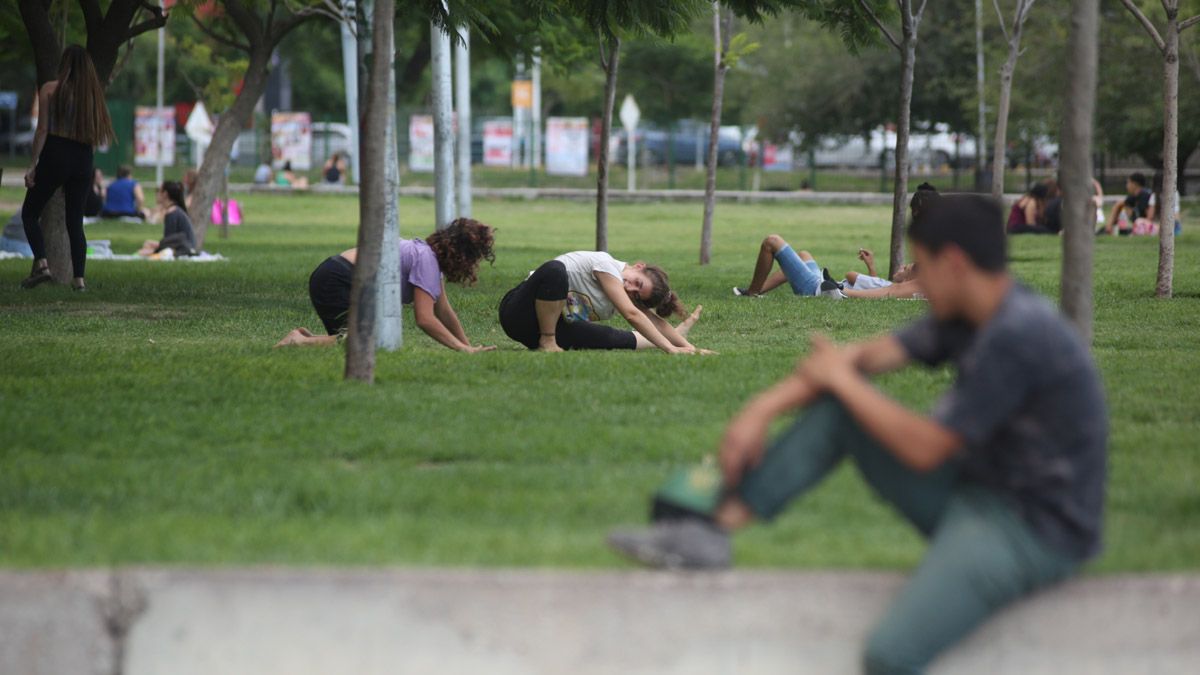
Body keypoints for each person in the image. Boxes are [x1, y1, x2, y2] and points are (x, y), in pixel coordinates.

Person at [608, 194, 1108, 673]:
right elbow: (863, 358)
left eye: (921, 267)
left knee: (891, 657)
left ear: (953, 263)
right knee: (839, 413)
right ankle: (710, 531)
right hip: (977, 492)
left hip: (1032, 530)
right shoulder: (968, 313)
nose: (913, 279)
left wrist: (844, 383)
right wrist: (761, 409)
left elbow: (927, 447)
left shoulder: (1018, 336)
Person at [276, 217, 496, 352]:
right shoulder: (426, 260)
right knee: (366, 343)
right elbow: (425, 319)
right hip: (339, 279)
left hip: (334, 274)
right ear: (462, 256)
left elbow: (444, 311)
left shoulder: (427, 258)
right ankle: (297, 342)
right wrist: (460, 349)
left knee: (360, 341)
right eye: (474, 259)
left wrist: (469, 347)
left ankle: (306, 339)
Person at [19, 45, 115, 291]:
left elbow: (42, 130)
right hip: (83, 157)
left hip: (55, 152)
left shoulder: (50, 89)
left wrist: (32, 165)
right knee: (75, 221)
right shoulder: (92, 97)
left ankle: (42, 265)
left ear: (65, 63)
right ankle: (79, 280)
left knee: (30, 213)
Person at [733, 184, 937, 298]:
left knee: (772, 241)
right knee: (803, 255)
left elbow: (882, 288)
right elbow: (881, 288)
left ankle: (751, 293)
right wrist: (872, 267)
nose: (902, 266)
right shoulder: (896, 283)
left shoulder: (911, 284)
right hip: (825, 285)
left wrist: (842, 290)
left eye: (906, 268)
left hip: (819, 288)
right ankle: (755, 291)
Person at [498, 251, 710, 353]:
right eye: (637, 282)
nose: (630, 289)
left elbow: (652, 320)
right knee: (555, 270)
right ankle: (548, 341)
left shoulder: (623, 293)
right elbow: (633, 315)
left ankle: (678, 335)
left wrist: (690, 348)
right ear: (638, 266)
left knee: (609, 337)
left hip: (546, 328)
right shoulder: (607, 265)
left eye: (637, 294)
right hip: (518, 312)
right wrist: (670, 350)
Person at [137, 181, 196, 258]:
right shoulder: (176, 210)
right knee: (148, 244)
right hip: (183, 247)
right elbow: (170, 240)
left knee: (143, 251)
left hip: (184, 249)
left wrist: (155, 249)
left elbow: (169, 243)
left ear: (165, 194)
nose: (156, 194)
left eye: (159, 191)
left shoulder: (172, 212)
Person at [1148, 172, 1183, 236]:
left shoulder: (1155, 196)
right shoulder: (1175, 192)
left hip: (1161, 227)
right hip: (1177, 226)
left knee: (1139, 221)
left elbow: (1150, 216)